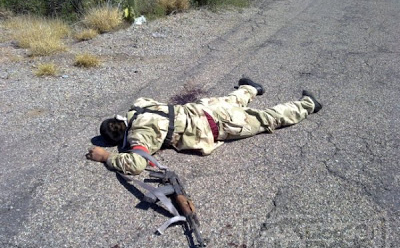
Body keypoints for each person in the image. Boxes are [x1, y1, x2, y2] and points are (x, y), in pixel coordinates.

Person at [86, 78, 322, 175]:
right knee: (231, 101)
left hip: (216, 126)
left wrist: (107, 157)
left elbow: (137, 163)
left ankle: (308, 104)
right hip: (204, 108)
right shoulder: (139, 105)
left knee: (265, 119)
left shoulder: (140, 137)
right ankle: (251, 88)